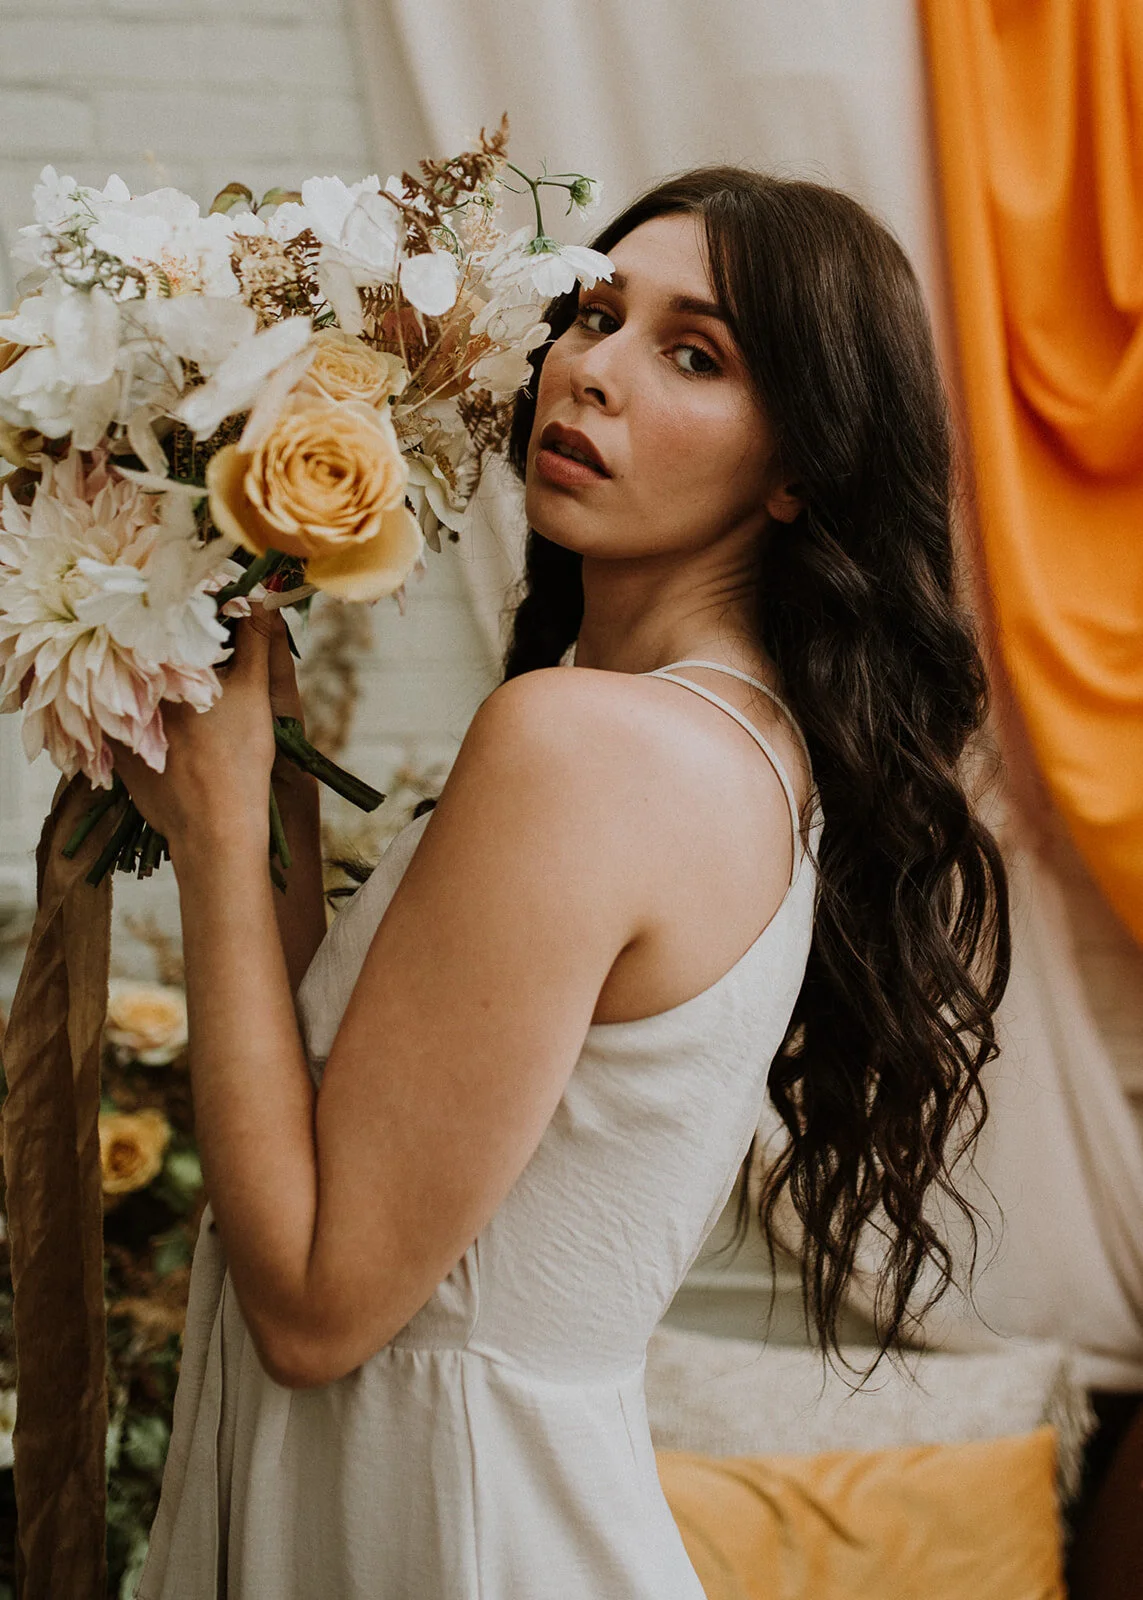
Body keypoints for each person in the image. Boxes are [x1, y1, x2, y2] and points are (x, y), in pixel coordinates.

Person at [125, 165, 1010, 1598]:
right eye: (594, 314)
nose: (592, 369)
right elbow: (316, 1105)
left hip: (454, 1535)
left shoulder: (594, 747)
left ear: (797, 468)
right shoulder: (715, 741)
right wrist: (267, 776)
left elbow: (315, 1310)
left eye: (694, 355)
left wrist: (220, 842)